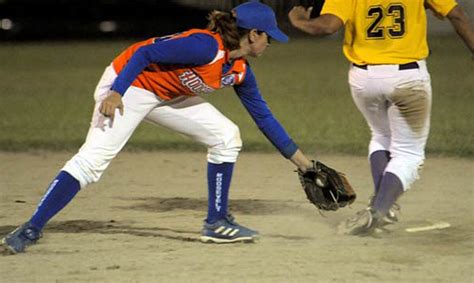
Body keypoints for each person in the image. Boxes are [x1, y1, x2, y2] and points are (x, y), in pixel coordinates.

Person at [1, 1, 315, 254]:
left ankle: (217, 223)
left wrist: (305, 165)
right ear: (253, 34)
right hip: (129, 85)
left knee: (225, 135)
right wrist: (116, 91)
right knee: (93, 160)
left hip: (168, 95)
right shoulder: (206, 47)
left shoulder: (239, 70)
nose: (270, 43)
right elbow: (144, 52)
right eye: (269, 36)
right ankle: (31, 228)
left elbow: (264, 118)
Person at [289, 0, 474, 235]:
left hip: (364, 79)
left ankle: (383, 207)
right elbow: (456, 15)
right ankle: (378, 210)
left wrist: (299, 20)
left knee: (381, 135)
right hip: (408, 77)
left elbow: (327, 26)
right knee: (409, 152)